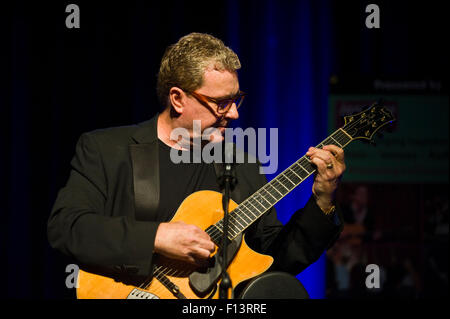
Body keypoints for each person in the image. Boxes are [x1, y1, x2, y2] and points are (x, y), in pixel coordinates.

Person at [47, 32, 346, 298]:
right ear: (178, 99)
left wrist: (322, 199)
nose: (234, 114)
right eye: (221, 103)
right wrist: (156, 237)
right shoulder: (108, 150)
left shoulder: (241, 164)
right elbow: (67, 227)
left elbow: (275, 259)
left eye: (236, 100)